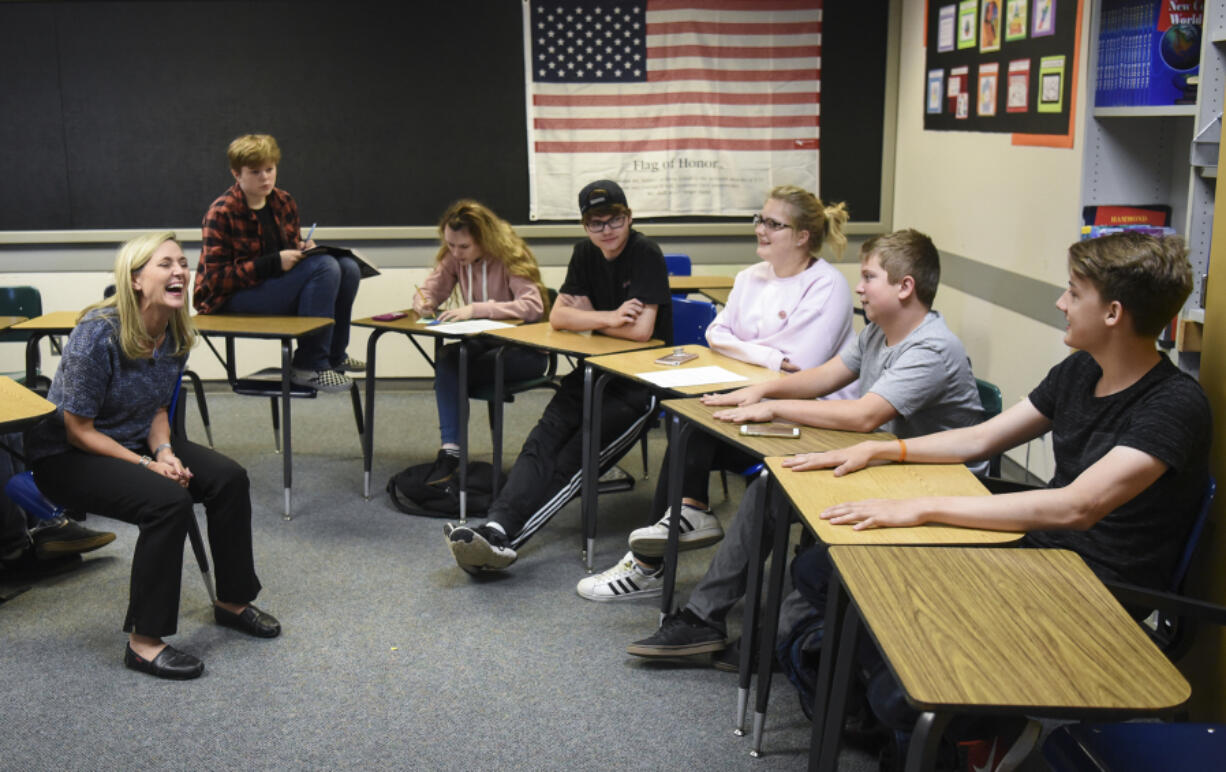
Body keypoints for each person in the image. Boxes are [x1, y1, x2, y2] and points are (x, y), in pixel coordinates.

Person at [789, 231, 1210, 766]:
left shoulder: (1173, 405)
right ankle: (953, 720)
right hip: (1038, 554)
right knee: (822, 569)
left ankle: (967, 730)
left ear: (1113, 313)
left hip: (1096, 587)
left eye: (1074, 293)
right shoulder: (1083, 370)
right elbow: (983, 438)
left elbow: (1076, 507)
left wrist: (922, 508)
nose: (1061, 303)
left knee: (898, 693)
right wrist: (885, 450)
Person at [626, 229, 985, 661]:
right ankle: (703, 618)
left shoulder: (932, 347)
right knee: (772, 487)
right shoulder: (878, 332)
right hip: (885, 462)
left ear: (905, 287)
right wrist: (760, 392)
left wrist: (777, 409)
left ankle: (778, 641)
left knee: (822, 516)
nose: (859, 287)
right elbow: (827, 376)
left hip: (934, 485)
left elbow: (864, 415)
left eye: (869, 277)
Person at [577, 186, 859, 602]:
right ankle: (679, 525)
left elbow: (802, 363)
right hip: (755, 409)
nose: (761, 230)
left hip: (811, 422)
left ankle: (656, 556)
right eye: (760, 220)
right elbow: (716, 334)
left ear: (802, 236)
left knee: (696, 426)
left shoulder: (827, 285)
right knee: (690, 422)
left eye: (773, 224)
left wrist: (755, 357)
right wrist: (768, 355)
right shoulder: (749, 278)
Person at [26, 232, 280, 680]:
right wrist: (149, 465)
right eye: (165, 264)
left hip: (137, 436)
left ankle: (232, 600)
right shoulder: (96, 335)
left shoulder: (176, 332)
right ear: (136, 280)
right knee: (167, 502)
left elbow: (158, 407)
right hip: (68, 454)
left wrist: (164, 450)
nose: (180, 271)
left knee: (229, 479)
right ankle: (144, 642)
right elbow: (78, 430)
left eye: (183, 262)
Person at [445, 180, 672, 573]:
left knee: (572, 461)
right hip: (592, 372)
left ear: (629, 217)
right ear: (585, 226)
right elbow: (559, 317)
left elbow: (641, 333)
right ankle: (495, 523)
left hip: (639, 385)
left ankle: (504, 540)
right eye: (596, 222)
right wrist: (610, 317)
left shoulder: (645, 253)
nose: (607, 229)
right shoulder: (585, 253)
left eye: (615, 219)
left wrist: (589, 323)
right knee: (540, 442)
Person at [194, 133, 361, 393]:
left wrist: (304, 251)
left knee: (347, 268)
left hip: (271, 287)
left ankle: (334, 356)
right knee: (325, 266)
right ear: (236, 174)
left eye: (270, 169)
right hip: (228, 299)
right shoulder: (221, 211)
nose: (265, 178)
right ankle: (308, 365)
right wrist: (272, 263)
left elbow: (289, 253)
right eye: (255, 172)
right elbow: (215, 279)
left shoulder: (283, 201)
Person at [411, 200, 549, 480]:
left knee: (452, 367)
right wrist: (422, 301)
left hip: (524, 352)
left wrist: (478, 309)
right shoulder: (454, 258)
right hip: (485, 345)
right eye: (450, 245)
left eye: (463, 247)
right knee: (449, 359)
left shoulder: (510, 255)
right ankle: (451, 451)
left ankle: (453, 455)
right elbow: (431, 289)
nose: (455, 253)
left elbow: (533, 307)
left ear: (485, 240)